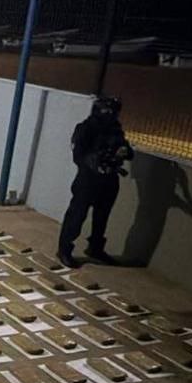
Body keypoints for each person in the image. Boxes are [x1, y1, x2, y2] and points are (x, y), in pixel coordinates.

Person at [57, 97, 134, 269]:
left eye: (114, 112)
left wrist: (122, 151)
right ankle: (64, 249)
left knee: (102, 217)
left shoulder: (115, 130)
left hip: (109, 178)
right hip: (88, 179)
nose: (112, 115)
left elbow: (128, 151)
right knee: (77, 215)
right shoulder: (86, 128)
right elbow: (78, 156)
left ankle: (96, 248)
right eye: (108, 111)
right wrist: (94, 161)